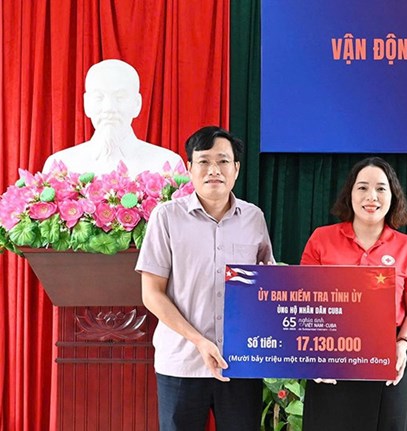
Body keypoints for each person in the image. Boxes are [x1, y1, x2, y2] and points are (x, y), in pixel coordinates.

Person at [135, 126, 274, 431]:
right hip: (182, 362)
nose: (214, 170)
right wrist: (199, 341)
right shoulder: (166, 217)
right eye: (204, 161)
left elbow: (267, 287)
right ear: (189, 168)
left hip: (240, 364)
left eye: (223, 161)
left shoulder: (254, 218)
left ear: (236, 169)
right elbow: (152, 293)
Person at [300, 157, 407, 431]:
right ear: (350, 194)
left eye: (381, 188)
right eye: (362, 187)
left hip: (388, 360)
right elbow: (305, 303)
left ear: (393, 196)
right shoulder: (321, 239)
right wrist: (314, 359)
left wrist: (402, 344)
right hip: (330, 361)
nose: (372, 196)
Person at [43, 59, 183, 175]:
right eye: (99, 97)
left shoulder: (167, 165)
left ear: (137, 104)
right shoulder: (61, 167)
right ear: (86, 103)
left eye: (120, 97)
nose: (109, 108)